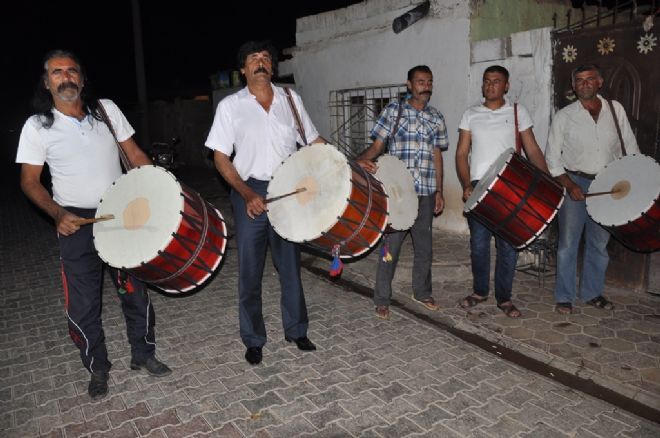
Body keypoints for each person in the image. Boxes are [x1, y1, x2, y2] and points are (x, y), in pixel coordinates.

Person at [16, 50, 171, 400]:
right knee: (83, 303)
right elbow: (29, 181)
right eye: (57, 72)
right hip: (75, 221)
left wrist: (161, 187)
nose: (65, 76)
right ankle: (97, 365)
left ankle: (143, 354)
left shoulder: (106, 111)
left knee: (135, 290)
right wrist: (57, 214)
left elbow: (133, 154)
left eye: (72, 70)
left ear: (82, 79)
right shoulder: (37, 126)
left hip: (121, 214)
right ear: (46, 82)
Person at [205, 40, 325, 366]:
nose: (261, 62)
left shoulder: (290, 98)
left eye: (266, 57)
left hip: (288, 189)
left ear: (272, 66)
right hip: (250, 189)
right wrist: (246, 193)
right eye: (253, 58)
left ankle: (297, 330)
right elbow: (219, 157)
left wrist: (344, 165)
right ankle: (254, 338)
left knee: (290, 266)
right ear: (243, 69)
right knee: (249, 270)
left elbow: (313, 140)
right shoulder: (231, 106)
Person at [455, 65, 550, 318]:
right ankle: (479, 291)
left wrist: (548, 182)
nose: (490, 85)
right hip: (478, 186)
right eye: (486, 81)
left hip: (510, 187)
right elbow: (462, 153)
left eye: (496, 81)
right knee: (478, 245)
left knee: (508, 246)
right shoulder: (470, 114)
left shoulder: (518, 112)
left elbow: (533, 150)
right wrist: (466, 184)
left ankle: (504, 298)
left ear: (506, 86)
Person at [545, 64, 639, 315]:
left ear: (600, 82)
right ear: (573, 86)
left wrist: (632, 181)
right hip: (575, 182)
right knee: (567, 243)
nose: (584, 83)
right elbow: (552, 159)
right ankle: (564, 296)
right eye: (579, 80)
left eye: (590, 79)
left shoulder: (614, 109)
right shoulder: (564, 116)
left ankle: (592, 293)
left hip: (608, 186)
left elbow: (629, 147)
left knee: (599, 242)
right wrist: (570, 185)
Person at [357, 65, 448, 320]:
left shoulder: (436, 117)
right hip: (398, 193)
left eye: (429, 81)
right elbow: (377, 146)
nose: (425, 85)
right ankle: (382, 298)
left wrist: (439, 190)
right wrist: (355, 164)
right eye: (420, 81)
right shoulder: (394, 111)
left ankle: (421, 292)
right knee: (390, 247)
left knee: (424, 247)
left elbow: (437, 155)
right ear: (409, 85)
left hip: (427, 191)